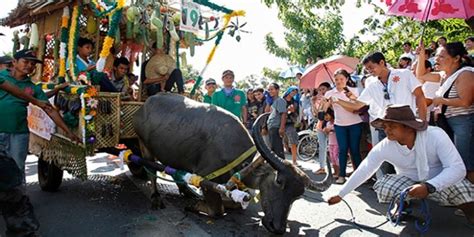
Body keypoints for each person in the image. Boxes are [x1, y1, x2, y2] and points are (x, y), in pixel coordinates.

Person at [328, 105, 474, 226]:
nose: (387, 130)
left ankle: (470, 213)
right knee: (384, 185)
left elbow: (457, 168)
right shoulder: (386, 145)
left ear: (409, 127)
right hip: (408, 182)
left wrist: (429, 186)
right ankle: (403, 204)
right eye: (385, 126)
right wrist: (341, 194)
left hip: (438, 180)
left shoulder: (435, 135)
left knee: (464, 190)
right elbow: (366, 168)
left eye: (392, 125)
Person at [0, 50, 80, 181]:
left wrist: (68, 132)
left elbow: (50, 110)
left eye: (33, 64)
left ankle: (18, 198)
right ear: (14, 62)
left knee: (17, 168)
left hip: (19, 133)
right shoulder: (2, 77)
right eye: (26, 62)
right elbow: (15, 91)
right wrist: (35, 101)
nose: (29, 66)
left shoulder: (33, 88)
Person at [416, 42, 474, 183]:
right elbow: (421, 75)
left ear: (456, 58)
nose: (436, 59)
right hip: (448, 122)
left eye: (442, 56)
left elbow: (465, 102)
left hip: (464, 121)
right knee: (454, 160)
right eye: (436, 55)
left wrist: (440, 100)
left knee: (465, 161)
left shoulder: (465, 74)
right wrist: (421, 54)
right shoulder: (443, 75)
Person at [323, 69, 363, 184]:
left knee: (355, 150)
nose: (339, 81)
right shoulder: (330, 93)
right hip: (339, 125)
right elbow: (323, 110)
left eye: (341, 79)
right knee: (343, 149)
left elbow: (357, 106)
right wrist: (324, 103)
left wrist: (346, 98)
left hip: (355, 124)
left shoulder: (354, 90)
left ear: (347, 79)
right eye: (336, 79)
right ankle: (341, 175)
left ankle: (359, 176)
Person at [313, 82, 331, 175]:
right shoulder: (319, 100)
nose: (321, 91)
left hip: (331, 125)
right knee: (322, 147)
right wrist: (313, 102)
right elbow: (317, 114)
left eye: (323, 89)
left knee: (333, 147)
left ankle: (337, 169)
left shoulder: (331, 98)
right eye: (319, 90)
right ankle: (322, 167)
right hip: (320, 126)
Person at [266, 83, 287, 159]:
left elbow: (283, 114)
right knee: (273, 149)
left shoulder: (280, 100)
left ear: (277, 90)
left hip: (276, 127)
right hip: (271, 126)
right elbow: (266, 112)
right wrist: (268, 102)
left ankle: (282, 167)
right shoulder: (272, 101)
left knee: (278, 149)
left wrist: (282, 127)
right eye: (269, 90)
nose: (270, 91)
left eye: (272, 89)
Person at [283, 86, 299, 166]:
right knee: (280, 142)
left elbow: (297, 114)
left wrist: (293, 111)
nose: (293, 93)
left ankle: (294, 160)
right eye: (292, 91)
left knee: (293, 141)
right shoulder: (281, 100)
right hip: (280, 123)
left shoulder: (295, 102)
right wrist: (287, 110)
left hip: (290, 123)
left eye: (295, 92)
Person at [323, 108, 339, 177]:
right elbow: (327, 133)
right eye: (324, 116)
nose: (326, 117)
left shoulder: (336, 122)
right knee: (332, 158)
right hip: (330, 142)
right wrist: (326, 131)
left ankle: (339, 172)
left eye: (327, 115)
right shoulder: (327, 123)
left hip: (336, 143)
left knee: (336, 157)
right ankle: (335, 171)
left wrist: (331, 130)